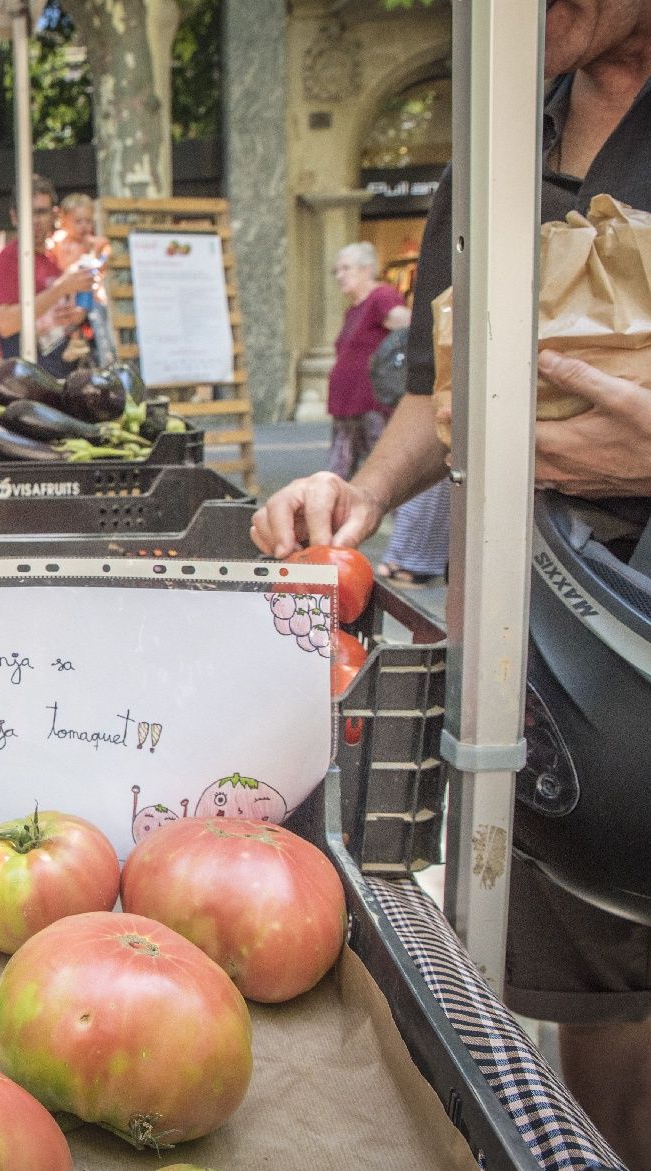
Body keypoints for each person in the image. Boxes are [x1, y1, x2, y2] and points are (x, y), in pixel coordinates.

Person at [252, 1, 651, 1161]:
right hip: (559, 685)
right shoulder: (494, 151)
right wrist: (363, 495)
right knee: (598, 1001)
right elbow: (441, 392)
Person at [0, 176, 94, 380]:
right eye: (28, 213)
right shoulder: (6, 259)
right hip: (27, 379)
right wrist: (59, 290)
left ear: (54, 215)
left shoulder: (59, 256)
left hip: (66, 372)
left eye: (41, 212)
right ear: (15, 217)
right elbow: (5, 324)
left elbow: (72, 314)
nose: (35, 220)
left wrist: (75, 314)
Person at [325, 243, 410, 479]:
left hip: (371, 403)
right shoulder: (355, 307)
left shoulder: (381, 296)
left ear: (366, 270)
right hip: (348, 403)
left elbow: (406, 324)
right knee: (339, 469)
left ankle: (402, 516)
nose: (339, 275)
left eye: (346, 268)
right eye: (337, 270)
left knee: (383, 469)